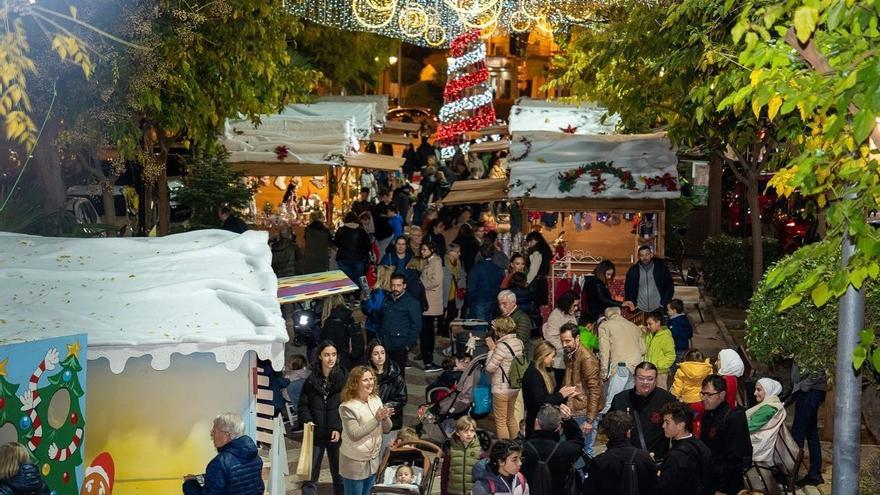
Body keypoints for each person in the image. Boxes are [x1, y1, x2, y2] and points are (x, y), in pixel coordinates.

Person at [299, 342, 347, 495]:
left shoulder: (343, 379)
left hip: (337, 436)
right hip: (316, 435)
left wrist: (338, 428)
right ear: (320, 356)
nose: (330, 358)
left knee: (340, 476)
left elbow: (348, 408)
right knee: (310, 476)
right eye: (326, 355)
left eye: (333, 354)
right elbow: (303, 406)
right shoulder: (311, 380)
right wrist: (308, 420)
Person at [338, 366, 393, 495]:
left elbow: (387, 429)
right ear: (355, 383)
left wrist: (385, 418)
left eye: (371, 379)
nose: (370, 383)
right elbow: (354, 434)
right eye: (365, 380)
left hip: (372, 459)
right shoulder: (347, 407)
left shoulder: (376, 399)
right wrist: (376, 419)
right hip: (354, 461)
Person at [609, 361, 678, 460]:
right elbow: (610, 429)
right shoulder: (621, 399)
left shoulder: (666, 399)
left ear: (655, 380)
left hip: (657, 458)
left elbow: (678, 426)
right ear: (634, 378)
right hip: (627, 458)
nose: (645, 382)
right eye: (641, 378)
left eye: (650, 379)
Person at [182, 413, 263, 495]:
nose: (211, 435)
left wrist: (190, 483)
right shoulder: (255, 457)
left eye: (214, 431)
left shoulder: (219, 463)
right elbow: (258, 488)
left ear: (226, 435)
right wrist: (210, 477)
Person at [699, 374, 752, 495]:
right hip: (711, 474)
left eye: (709, 395)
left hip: (726, 482)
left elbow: (735, 457)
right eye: (702, 393)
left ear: (722, 395)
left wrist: (722, 489)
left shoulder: (733, 418)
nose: (703, 398)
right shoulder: (708, 414)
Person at [584, 411, 657, 495]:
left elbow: (589, 490)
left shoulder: (600, 461)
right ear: (628, 432)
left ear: (607, 434)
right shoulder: (645, 457)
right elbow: (654, 486)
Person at [558, 323, 602, 456]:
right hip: (574, 409)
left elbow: (595, 389)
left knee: (585, 452)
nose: (564, 344)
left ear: (577, 339)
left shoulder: (587, 359)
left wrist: (590, 420)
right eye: (562, 341)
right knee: (575, 451)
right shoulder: (570, 353)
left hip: (584, 412)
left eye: (568, 341)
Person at [521, 404, 584, 495]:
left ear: (536, 423)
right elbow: (579, 441)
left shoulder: (522, 449)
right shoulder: (564, 450)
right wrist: (568, 420)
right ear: (558, 427)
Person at [521, 341, 577, 437]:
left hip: (544, 422)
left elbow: (548, 397)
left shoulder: (541, 371)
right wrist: (560, 395)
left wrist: (564, 397)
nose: (553, 359)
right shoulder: (533, 374)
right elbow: (540, 402)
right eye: (552, 356)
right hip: (538, 426)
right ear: (543, 356)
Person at [656, 402, 713, 495]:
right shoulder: (701, 445)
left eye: (667, 422)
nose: (663, 426)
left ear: (681, 425)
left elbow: (665, 488)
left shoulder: (675, 456)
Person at [598, 307, 646, 413]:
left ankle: (605, 425)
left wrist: (604, 372)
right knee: (628, 401)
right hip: (636, 366)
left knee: (611, 401)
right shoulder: (634, 326)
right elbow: (643, 349)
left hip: (620, 366)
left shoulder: (605, 325)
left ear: (606, 317)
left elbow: (604, 351)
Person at [485, 316, 525, 440]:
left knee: (501, 421)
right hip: (514, 386)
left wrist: (491, 350)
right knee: (511, 417)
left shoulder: (502, 347)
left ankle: (505, 449)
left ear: (500, 330)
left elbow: (490, 368)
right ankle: (516, 443)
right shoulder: (519, 342)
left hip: (501, 388)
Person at [378, 273, 422, 378]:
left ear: (404, 286)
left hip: (400, 345)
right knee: (385, 374)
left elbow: (416, 325)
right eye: (393, 285)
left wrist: (408, 345)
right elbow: (380, 318)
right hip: (385, 342)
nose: (395, 288)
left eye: (398, 285)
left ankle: (400, 394)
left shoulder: (411, 303)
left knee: (398, 376)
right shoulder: (387, 299)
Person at [366, 340, 407, 450]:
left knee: (386, 455)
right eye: (376, 353)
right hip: (369, 421)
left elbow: (402, 398)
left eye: (382, 352)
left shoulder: (395, 374)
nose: (380, 356)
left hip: (391, 422)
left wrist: (386, 407)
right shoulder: (365, 374)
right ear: (370, 357)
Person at [790, 363, 827, 486]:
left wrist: (804, 385)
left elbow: (819, 368)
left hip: (810, 391)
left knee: (798, 433)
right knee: (810, 432)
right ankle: (814, 474)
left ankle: (791, 473)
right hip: (809, 390)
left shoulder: (814, 345)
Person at [467, 243, 505, 335]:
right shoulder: (498, 269)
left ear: (480, 253)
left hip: (479, 300)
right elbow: (501, 282)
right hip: (493, 299)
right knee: (489, 324)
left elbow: (471, 287)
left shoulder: (476, 269)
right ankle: (487, 344)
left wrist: (470, 300)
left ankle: (480, 346)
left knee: (479, 327)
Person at [623, 245, 674, 314]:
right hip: (639, 309)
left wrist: (663, 303)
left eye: (647, 254)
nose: (645, 257)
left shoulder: (661, 268)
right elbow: (628, 289)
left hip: (658, 308)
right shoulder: (633, 270)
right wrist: (633, 304)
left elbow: (669, 286)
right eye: (642, 255)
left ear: (651, 255)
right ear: (638, 257)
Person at [440, 416, 485, 495]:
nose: (469, 434)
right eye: (465, 431)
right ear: (457, 433)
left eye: (472, 431)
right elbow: (444, 474)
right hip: (453, 492)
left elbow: (484, 476)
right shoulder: (451, 451)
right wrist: (443, 492)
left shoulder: (480, 452)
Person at [747, 378, 786, 464]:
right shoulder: (773, 403)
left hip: (759, 445)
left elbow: (748, 427)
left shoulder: (769, 408)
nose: (754, 393)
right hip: (761, 441)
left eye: (759, 390)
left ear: (768, 390)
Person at [319, 295, 363, 371]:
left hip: (336, 364)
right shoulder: (350, 318)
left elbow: (324, 346)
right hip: (353, 362)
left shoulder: (329, 323)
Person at [419, 242, 444, 373]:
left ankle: (428, 359)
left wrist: (420, 285)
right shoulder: (428, 261)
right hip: (426, 301)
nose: (422, 252)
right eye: (421, 249)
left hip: (431, 302)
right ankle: (425, 355)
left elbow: (436, 281)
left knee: (428, 332)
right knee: (424, 331)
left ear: (432, 250)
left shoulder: (436, 262)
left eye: (424, 249)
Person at [543, 292, 578, 384]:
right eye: (574, 305)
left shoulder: (569, 313)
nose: (576, 308)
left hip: (570, 356)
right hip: (560, 359)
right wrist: (566, 349)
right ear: (567, 304)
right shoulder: (556, 316)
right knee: (561, 385)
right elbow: (550, 338)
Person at [334, 212, 372, 297]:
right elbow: (368, 245)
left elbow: (336, 243)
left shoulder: (341, 230)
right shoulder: (361, 231)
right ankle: (357, 297)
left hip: (343, 257)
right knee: (358, 278)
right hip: (358, 258)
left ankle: (347, 297)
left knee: (346, 279)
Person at [579, 260, 622, 326]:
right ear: (602, 272)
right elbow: (603, 299)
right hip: (595, 315)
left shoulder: (592, 280)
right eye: (608, 274)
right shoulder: (597, 283)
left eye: (611, 275)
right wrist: (621, 304)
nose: (609, 277)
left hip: (592, 314)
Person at [643, 312, 676, 390]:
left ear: (658, 322)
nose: (648, 326)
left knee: (661, 394)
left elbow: (671, 356)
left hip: (660, 372)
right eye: (647, 324)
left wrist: (658, 365)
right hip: (648, 370)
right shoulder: (649, 334)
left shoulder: (666, 336)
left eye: (650, 324)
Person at [442, 243, 467, 338]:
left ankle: (445, 330)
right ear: (450, 252)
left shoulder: (459, 262)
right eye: (457, 252)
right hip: (444, 293)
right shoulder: (443, 262)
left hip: (454, 292)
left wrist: (462, 283)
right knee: (442, 314)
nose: (459, 253)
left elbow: (462, 274)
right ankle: (442, 329)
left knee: (453, 313)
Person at [524, 232, 552, 307]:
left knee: (533, 307)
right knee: (537, 308)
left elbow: (533, 270)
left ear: (534, 240)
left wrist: (526, 283)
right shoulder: (545, 250)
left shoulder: (536, 252)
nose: (529, 244)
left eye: (529, 242)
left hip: (535, 284)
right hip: (542, 282)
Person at [373, 190, 395, 255]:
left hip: (384, 233)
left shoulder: (391, 204)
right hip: (383, 233)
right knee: (380, 249)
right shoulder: (380, 206)